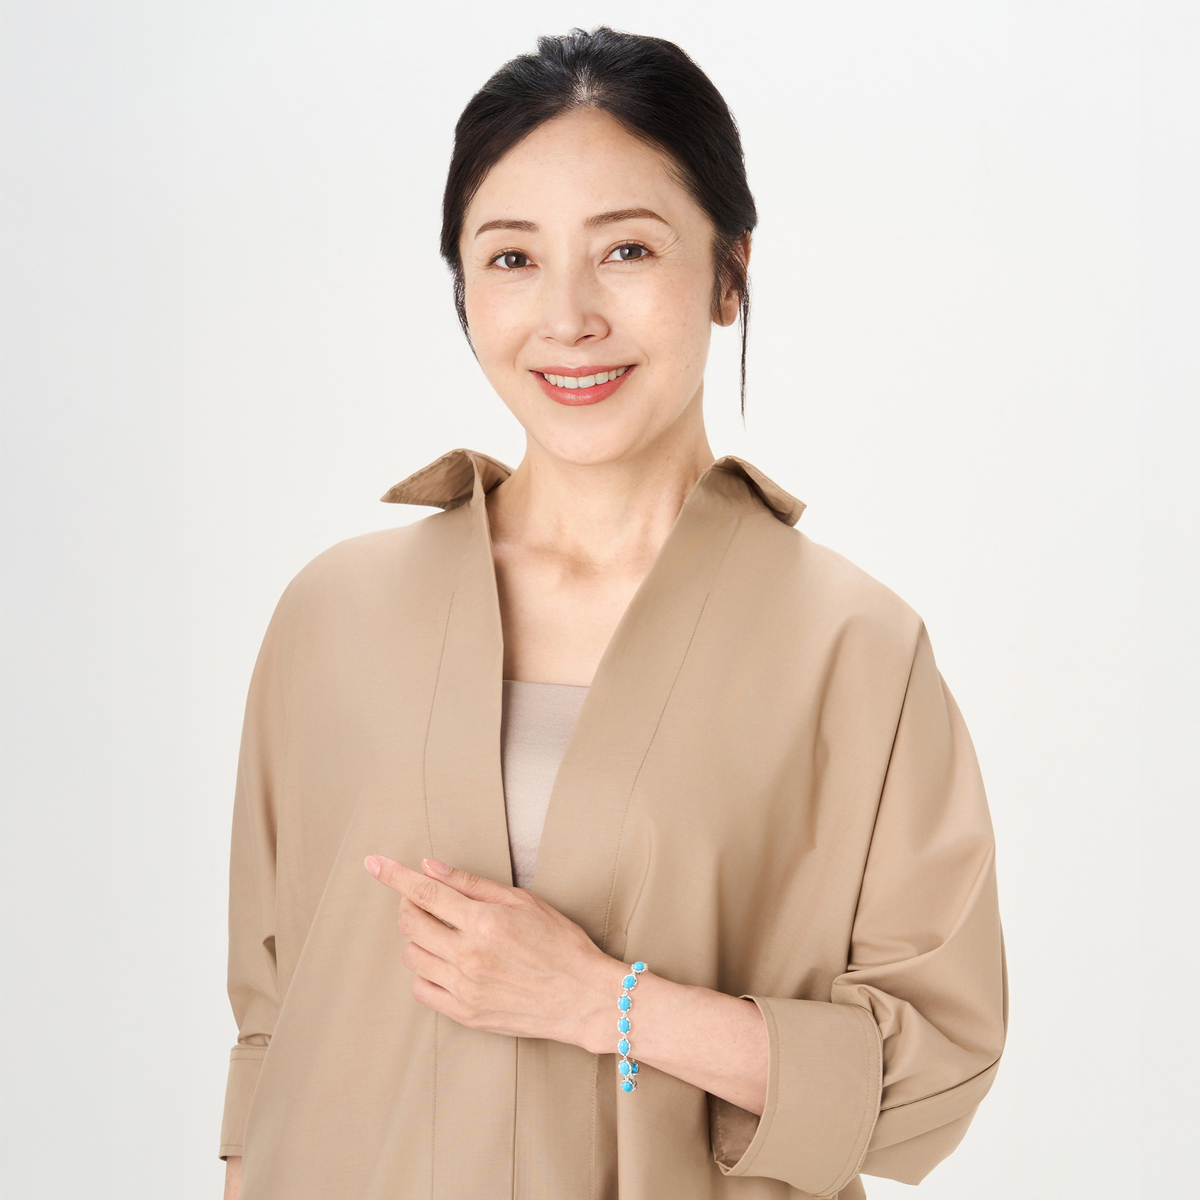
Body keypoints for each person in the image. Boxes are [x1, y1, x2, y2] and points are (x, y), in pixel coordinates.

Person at [219, 26, 1006, 1200]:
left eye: (626, 250)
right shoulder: (335, 616)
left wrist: (604, 1003)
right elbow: (272, 1035)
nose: (569, 317)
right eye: (512, 258)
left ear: (730, 272)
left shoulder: (853, 649)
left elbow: (931, 1069)